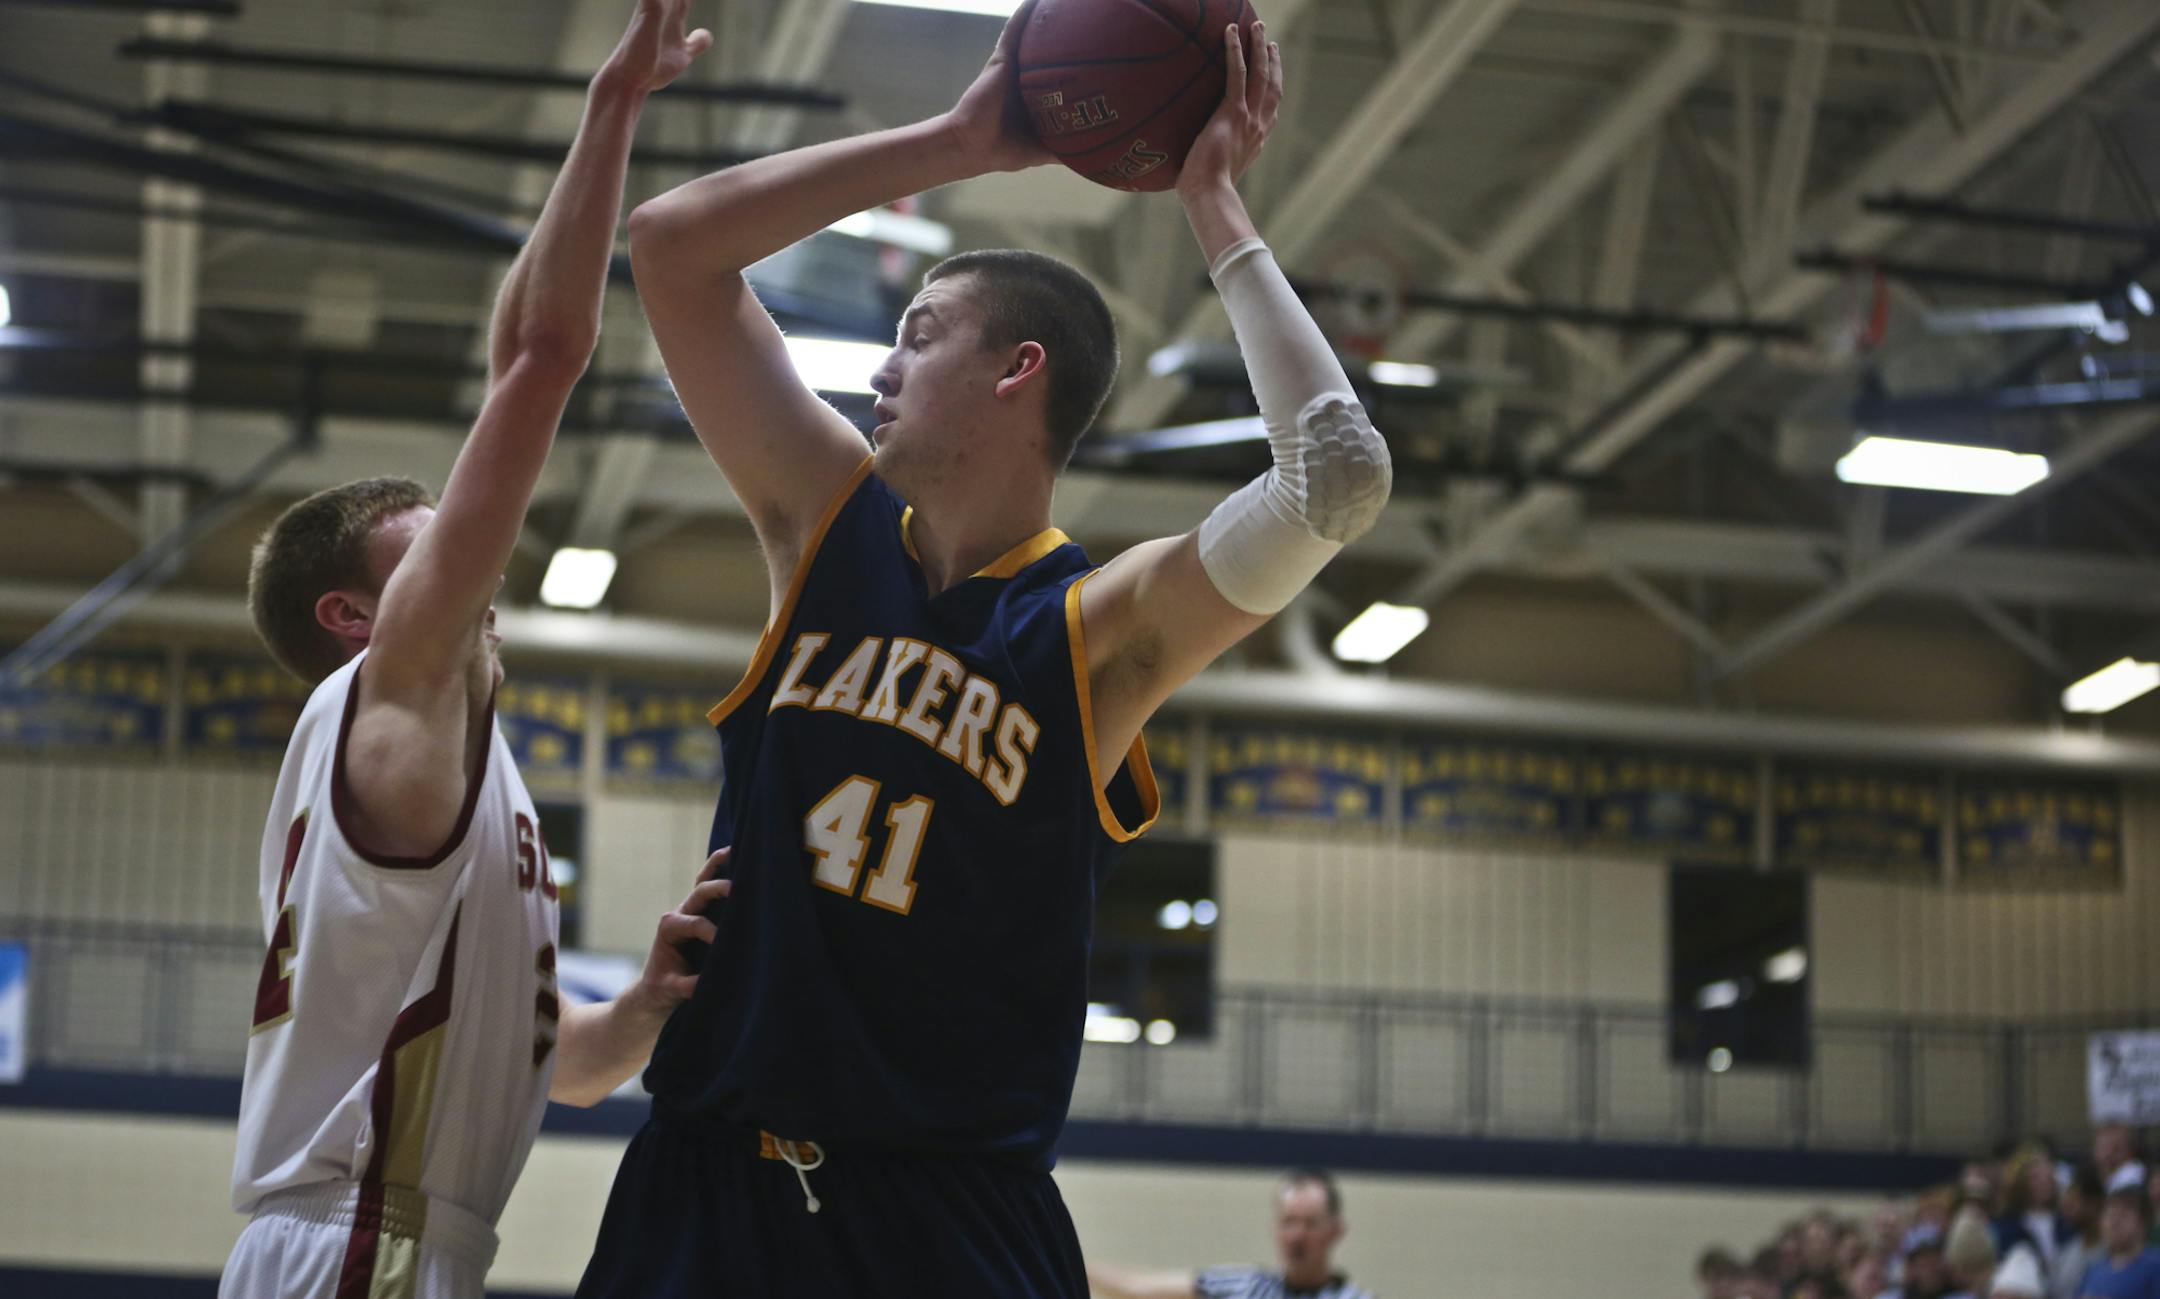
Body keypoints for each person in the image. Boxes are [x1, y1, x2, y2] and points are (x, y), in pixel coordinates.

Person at [576, 5, 1390, 1296]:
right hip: (711, 1173)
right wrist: (962, 142)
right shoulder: (825, 524)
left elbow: (1336, 478)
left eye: (918, 332)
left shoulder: (1089, 631)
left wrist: (1213, 205)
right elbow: (672, 248)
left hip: (945, 1216)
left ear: (1018, 370)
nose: (883, 367)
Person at [218, 5, 723, 1295]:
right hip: (354, 1242)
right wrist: (614, 106)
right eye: (431, 537)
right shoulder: (388, 692)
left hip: (392, 1242)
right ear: (355, 613)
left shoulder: (460, 771)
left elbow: (553, 1071)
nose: (471, 547)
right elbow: (538, 355)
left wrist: (646, 1006)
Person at [1085, 1169, 1376, 1299]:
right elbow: (1139, 1288)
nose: (1297, 1236)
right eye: (1288, 1222)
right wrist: (1063, 1262)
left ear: (1335, 1231)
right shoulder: (1243, 1286)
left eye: (1310, 1224)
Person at [2074, 1191, 2160, 1299]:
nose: (2115, 1222)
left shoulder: (2155, 1265)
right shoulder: (2093, 1270)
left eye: (2124, 1215)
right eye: (2110, 1214)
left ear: (2143, 1223)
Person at [2054, 1166, 2109, 1299]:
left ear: (2094, 1203)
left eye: (2073, 1203)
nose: (2067, 1211)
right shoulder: (2066, 1254)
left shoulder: (2113, 1253)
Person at [2095, 1126, 2148, 1195]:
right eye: (2104, 1147)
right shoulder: (2094, 1175)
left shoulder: (2132, 1173)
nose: (2109, 1153)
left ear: (2130, 1150)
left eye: (2116, 1148)